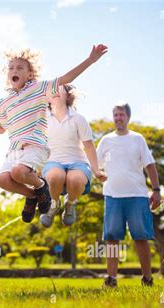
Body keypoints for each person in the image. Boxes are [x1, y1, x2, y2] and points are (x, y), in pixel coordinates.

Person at [0, 45, 108, 223]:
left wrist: (90, 60)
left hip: (36, 146)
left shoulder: (39, 89)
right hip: (14, 150)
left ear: (30, 74)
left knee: (18, 172)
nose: (14, 71)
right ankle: (33, 195)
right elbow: (1, 128)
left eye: (19, 68)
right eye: (11, 68)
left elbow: (66, 78)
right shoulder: (4, 102)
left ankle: (42, 185)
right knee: (4, 180)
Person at [96, 102, 162, 287]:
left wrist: (156, 191)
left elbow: (150, 165)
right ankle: (111, 279)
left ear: (128, 117)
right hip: (112, 196)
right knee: (111, 238)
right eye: (115, 114)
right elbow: (94, 163)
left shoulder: (138, 139)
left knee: (141, 237)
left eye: (121, 114)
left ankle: (147, 278)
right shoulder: (106, 140)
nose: (118, 118)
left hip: (137, 195)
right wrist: (96, 173)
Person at [40, 84, 106, 227]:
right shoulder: (43, 118)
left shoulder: (78, 119)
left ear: (68, 95)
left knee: (75, 180)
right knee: (55, 177)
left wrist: (96, 170)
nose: (55, 91)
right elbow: (36, 144)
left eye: (59, 88)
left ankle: (70, 204)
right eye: (52, 90)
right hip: (53, 161)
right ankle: (54, 204)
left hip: (77, 162)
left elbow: (88, 146)